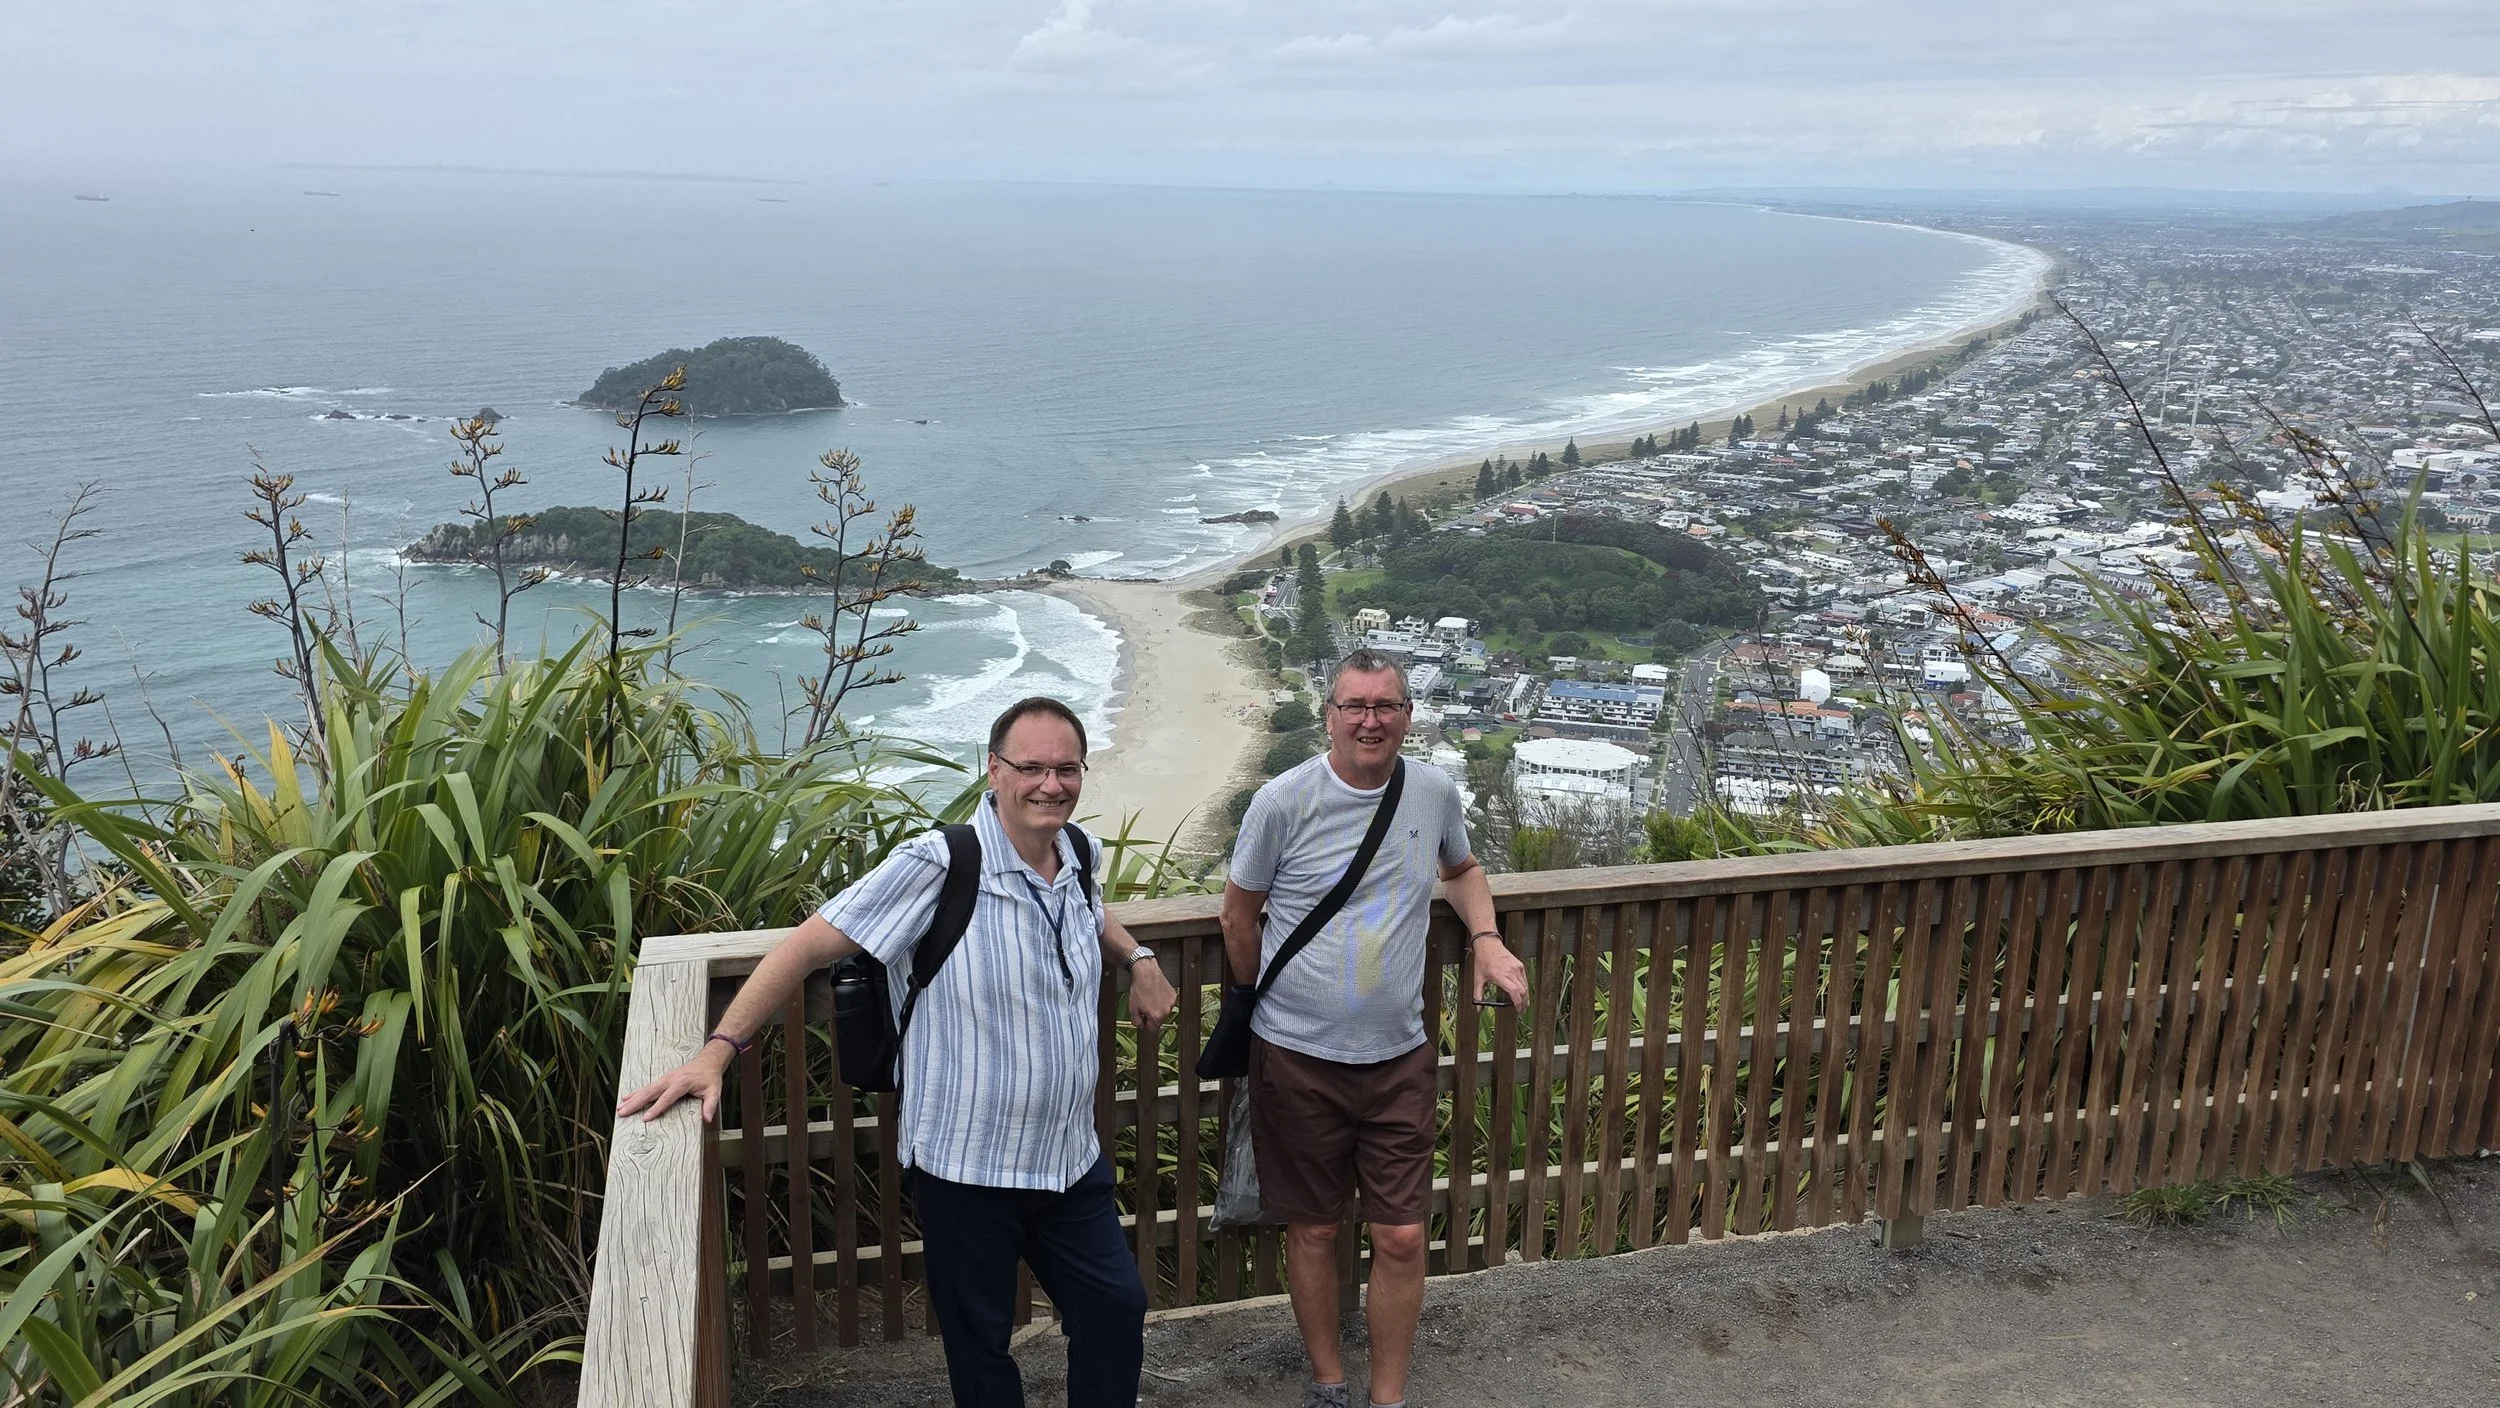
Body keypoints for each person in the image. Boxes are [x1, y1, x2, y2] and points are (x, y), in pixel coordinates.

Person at [617, 696, 1177, 1408]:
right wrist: (719, 1050)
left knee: (1115, 1309)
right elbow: (809, 943)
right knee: (982, 1348)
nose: (1051, 784)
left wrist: (1140, 956)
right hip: (967, 1166)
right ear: (993, 771)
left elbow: (1089, 907)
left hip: (1068, 1157)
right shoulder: (938, 865)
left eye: (1067, 768)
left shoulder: (1078, 852)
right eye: (1030, 767)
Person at [1222, 649, 1529, 1408]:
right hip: (1295, 1052)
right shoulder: (1282, 801)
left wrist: (1486, 940)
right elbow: (1239, 912)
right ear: (1329, 715)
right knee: (1317, 1230)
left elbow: (1460, 871)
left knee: (1400, 1235)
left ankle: (1387, 1398)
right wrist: (1266, 1000)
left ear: (1407, 716)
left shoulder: (1430, 791)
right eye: (1354, 706)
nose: (1370, 720)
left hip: (1399, 1054)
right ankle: (1329, 1382)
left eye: (1385, 706)